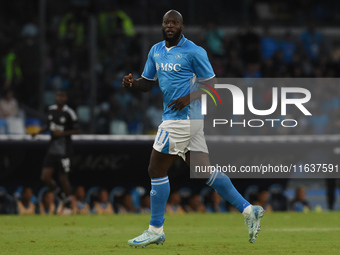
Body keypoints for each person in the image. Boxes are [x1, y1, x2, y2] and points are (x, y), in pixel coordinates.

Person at [122, 10, 264, 247]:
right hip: (188, 121)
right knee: (204, 171)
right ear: (162, 25)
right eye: (166, 22)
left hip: (181, 119)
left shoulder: (194, 51)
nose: (170, 25)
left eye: (174, 22)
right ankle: (249, 210)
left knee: (156, 169)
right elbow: (147, 84)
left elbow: (213, 85)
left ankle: (155, 229)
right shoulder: (156, 50)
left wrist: (189, 97)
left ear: (182, 27)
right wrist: (132, 83)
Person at [31, 89, 81, 209]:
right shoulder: (51, 110)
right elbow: (49, 126)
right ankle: (59, 193)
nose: (60, 98)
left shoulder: (70, 113)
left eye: (62, 96)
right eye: (58, 96)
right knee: (45, 177)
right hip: (52, 149)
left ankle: (68, 203)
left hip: (65, 150)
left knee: (63, 178)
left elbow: (78, 130)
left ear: (66, 98)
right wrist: (39, 132)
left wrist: (62, 133)